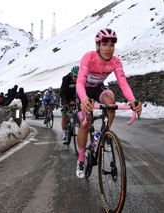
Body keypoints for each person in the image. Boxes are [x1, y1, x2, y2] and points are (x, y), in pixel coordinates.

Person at [75, 28, 142, 178]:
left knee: (110, 99)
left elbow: (123, 83)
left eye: (112, 45)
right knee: (85, 124)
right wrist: (84, 100)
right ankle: (80, 159)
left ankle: (105, 133)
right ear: (98, 45)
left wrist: (133, 101)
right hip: (83, 92)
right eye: (105, 44)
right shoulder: (89, 57)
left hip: (98, 89)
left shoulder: (115, 62)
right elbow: (79, 82)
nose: (108, 48)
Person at [60, 65, 78, 144]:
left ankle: (72, 126)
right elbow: (63, 92)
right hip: (65, 96)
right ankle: (64, 133)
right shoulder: (66, 79)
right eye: (75, 76)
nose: (77, 78)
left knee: (75, 112)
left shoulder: (81, 79)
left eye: (78, 76)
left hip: (74, 96)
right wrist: (64, 102)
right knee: (65, 115)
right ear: (71, 74)